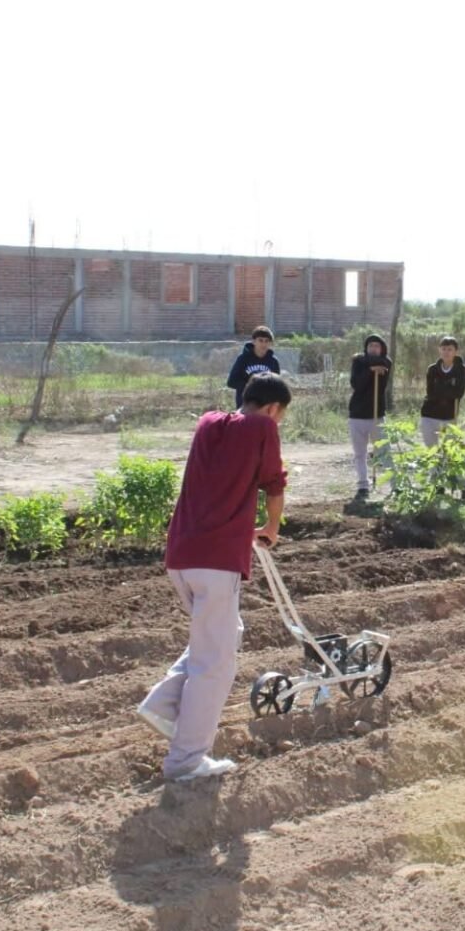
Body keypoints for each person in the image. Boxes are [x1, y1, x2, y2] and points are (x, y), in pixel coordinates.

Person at [136, 372, 291, 782]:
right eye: (280, 418)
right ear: (274, 409)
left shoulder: (208, 422)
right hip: (217, 559)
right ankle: (186, 761)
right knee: (215, 664)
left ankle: (165, 703)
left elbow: (225, 479)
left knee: (220, 636)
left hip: (182, 554)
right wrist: (271, 527)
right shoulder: (263, 427)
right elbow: (273, 483)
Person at [348, 333, 393, 500]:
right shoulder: (358, 362)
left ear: (382, 349)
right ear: (366, 348)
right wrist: (370, 370)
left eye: (377, 346)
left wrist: (370, 366)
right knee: (360, 453)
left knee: (384, 451)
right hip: (357, 415)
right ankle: (362, 486)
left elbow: (384, 364)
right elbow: (356, 384)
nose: (373, 349)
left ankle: (396, 485)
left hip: (376, 416)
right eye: (370, 346)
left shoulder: (386, 363)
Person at [419, 336, 465, 446]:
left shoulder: (460, 370)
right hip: (429, 414)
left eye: (450, 349)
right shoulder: (432, 369)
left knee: (449, 450)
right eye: (444, 349)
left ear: (456, 352)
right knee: (431, 449)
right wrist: (449, 387)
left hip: (449, 414)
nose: (446, 352)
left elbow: (459, 393)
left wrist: (441, 387)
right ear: (439, 350)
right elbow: (430, 393)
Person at [225, 326, 281, 408]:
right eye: (260, 340)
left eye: (267, 341)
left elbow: (277, 387)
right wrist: (252, 386)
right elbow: (231, 382)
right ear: (254, 341)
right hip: (245, 406)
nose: (264, 344)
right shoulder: (243, 359)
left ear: (270, 343)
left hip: (264, 407)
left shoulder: (273, 361)